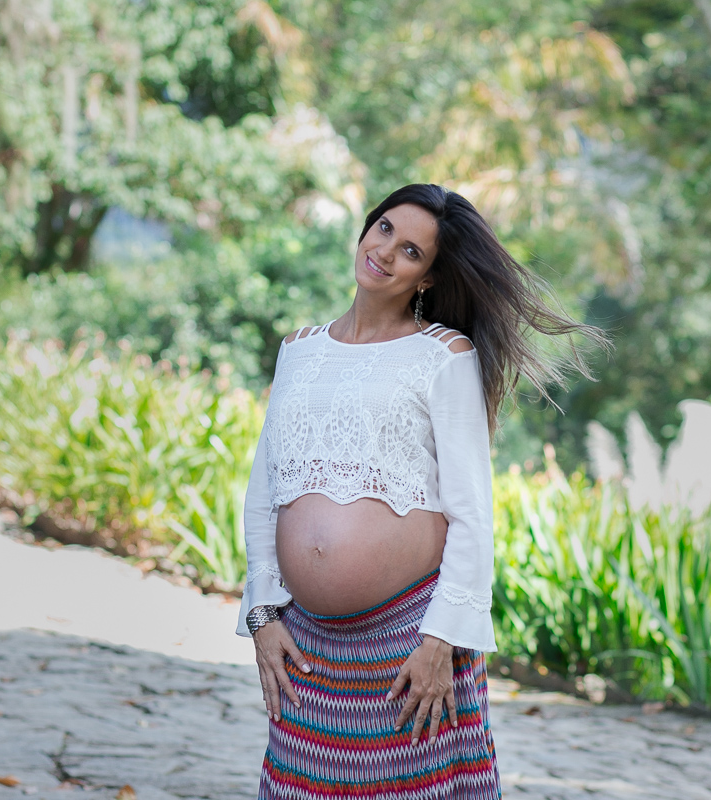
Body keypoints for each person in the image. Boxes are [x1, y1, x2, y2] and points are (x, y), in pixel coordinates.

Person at [237, 184, 606, 799]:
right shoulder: (299, 351)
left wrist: (441, 642)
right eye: (384, 228)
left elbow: (472, 513)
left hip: (409, 644)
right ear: (365, 228)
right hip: (306, 647)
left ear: (428, 277)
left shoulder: (444, 356)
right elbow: (264, 493)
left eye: (411, 250)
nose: (386, 251)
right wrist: (263, 614)